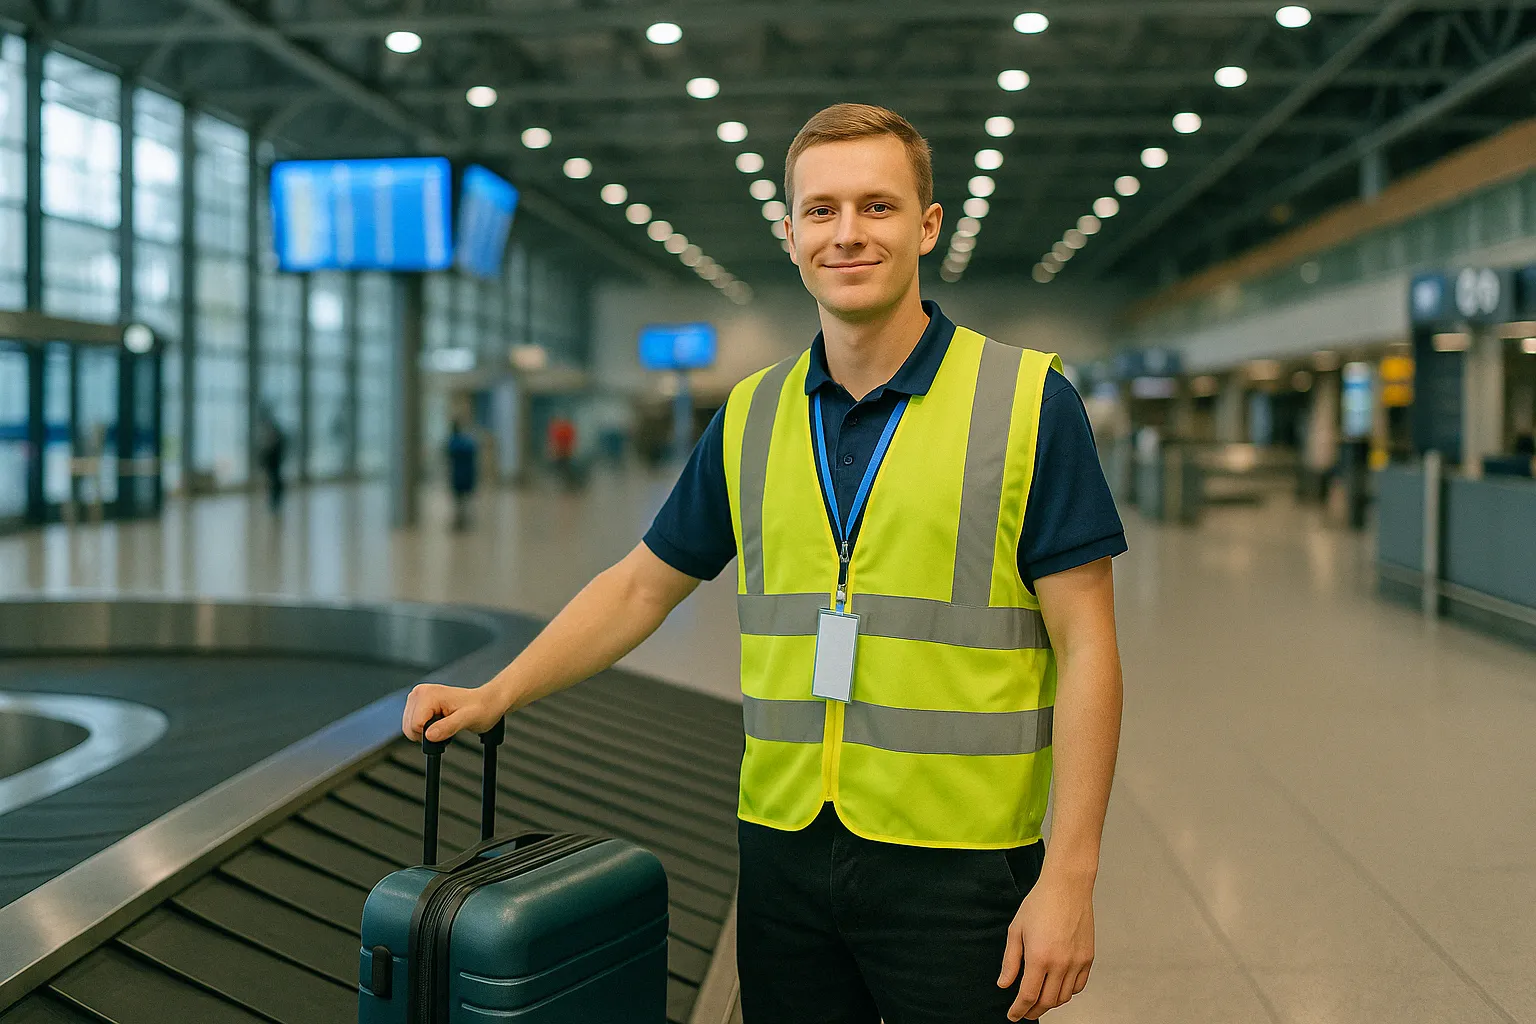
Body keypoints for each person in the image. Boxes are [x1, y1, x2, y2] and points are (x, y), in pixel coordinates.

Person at [403, 103, 1126, 1023]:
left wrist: (1070, 876)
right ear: (789, 235)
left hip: (961, 864)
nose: (848, 233)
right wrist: (497, 693)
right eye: (821, 211)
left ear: (928, 226)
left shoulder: (1028, 400)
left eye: (878, 206)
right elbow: (640, 584)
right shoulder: (752, 413)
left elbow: (1089, 645)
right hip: (784, 851)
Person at [446, 420, 478, 530]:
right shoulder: (467, 442)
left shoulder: (453, 442)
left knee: (459, 499)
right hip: (466, 474)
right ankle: (462, 518)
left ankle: (460, 519)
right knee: (462, 499)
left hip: (458, 475)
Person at [256, 407, 286, 513]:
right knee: (274, 481)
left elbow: (272, 447)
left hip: (274, 462)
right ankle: (274, 502)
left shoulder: (274, 433)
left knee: (275, 481)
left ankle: (275, 502)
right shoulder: (274, 432)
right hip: (273, 462)